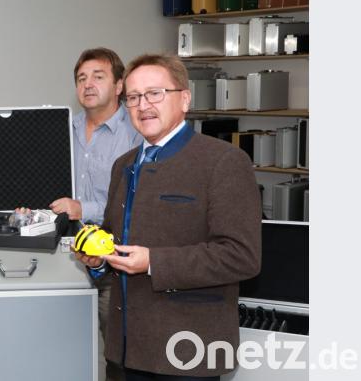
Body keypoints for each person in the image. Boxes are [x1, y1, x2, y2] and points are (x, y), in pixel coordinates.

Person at [74, 53, 261, 380]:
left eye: (155, 93)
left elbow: (241, 256)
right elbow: (113, 237)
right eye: (133, 97)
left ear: (185, 99)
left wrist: (152, 262)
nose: (143, 105)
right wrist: (98, 259)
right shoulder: (124, 165)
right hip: (124, 350)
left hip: (186, 349)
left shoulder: (223, 162)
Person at [49, 47, 141, 380]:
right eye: (81, 78)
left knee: (118, 352)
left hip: (113, 261)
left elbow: (133, 203)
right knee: (62, 345)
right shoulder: (61, 129)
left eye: (98, 77)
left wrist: (81, 208)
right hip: (64, 254)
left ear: (119, 86)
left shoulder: (136, 134)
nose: (88, 84)